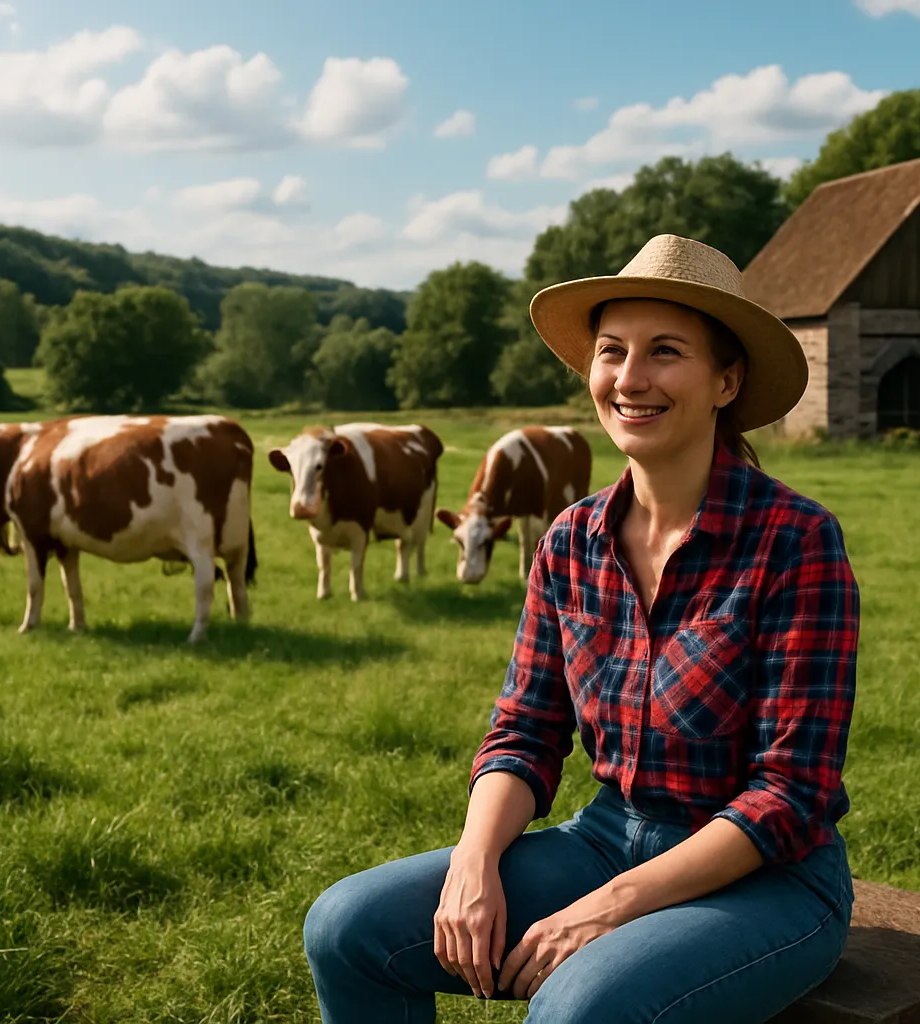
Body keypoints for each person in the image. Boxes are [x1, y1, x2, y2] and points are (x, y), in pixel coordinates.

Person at [303, 234, 860, 1024]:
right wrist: (474, 860)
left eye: (666, 352)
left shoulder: (795, 540)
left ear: (725, 381)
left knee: (581, 1007)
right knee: (343, 927)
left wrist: (609, 908)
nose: (631, 379)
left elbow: (789, 794)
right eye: (611, 352)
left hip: (768, 877)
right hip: (606, 835)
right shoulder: (571, 540)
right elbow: (524, 729)